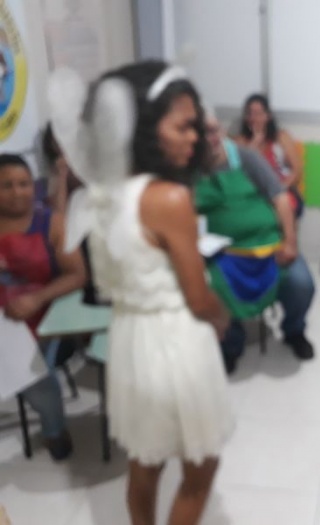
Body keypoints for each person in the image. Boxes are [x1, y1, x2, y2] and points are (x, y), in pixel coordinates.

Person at [49, 61, 233, 524]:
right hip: (175, 341)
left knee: (145, 465)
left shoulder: (101, 193)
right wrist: (221, 315)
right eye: (183, 126)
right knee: (201, 466)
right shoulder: (168, 199)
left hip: (130, 340)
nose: (194, 137)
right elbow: (197, 298)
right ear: (146, 128)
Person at [198, 112, 315, 373]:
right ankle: (231, 344)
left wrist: (290, 242)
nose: (211, 137)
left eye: (214, 130)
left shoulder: (247, 158)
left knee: (301, 284)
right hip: (223, 254)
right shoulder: (188, 169)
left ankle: (294, 331)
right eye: (203, 132)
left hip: (270, 247)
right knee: (212, 288)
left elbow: (281, 198)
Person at [0, 153, 86, 460]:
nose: (17, 192)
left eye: (23, 184)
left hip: (46, 317)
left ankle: (53, 428)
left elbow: (78, 275)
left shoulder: (52, 223)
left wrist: (36, 298)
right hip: (3, 321)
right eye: (6, 185)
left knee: (31, 373)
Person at [234, 93, 304, 216]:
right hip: (251, 194)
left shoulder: (281, 137)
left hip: (281, 190)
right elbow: (236, 173)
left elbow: (297, 170)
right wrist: (254, 144)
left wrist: (279, 189)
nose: (253, 118)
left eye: (258, 114)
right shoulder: (239, 141)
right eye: (249, 113)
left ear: (268, 116)